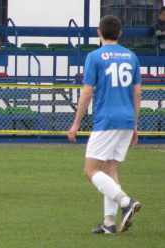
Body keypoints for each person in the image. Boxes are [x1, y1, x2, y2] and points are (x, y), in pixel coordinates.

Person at [68, 15, 142, 235]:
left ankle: (126, 201)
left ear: (98, 32)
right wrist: (135, 125)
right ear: (120, 34)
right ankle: (109, 223)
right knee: (110, 170)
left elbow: (87, 92)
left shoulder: (94, 56)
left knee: (90, 170)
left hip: (107, 120)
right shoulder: (131, 56)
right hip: (127, 119)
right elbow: (137, 93)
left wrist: (76, 123)